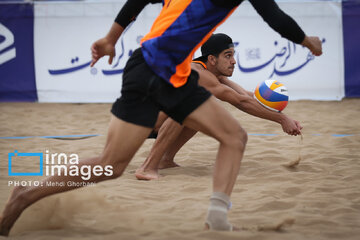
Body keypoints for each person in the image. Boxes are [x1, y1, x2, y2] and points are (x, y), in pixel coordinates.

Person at [0, 0, 322, 235]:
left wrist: (111, 37)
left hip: (175, 78)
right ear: (212, 59)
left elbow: (139, 1)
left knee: (234, 137)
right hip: (151, 71)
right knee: (111, 165)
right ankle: (25, 195)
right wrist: (306, 41)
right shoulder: (204, 68)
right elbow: (273, 16)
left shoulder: (201, 69)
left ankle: (218, 218)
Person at [134, 32, 303, 180]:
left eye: (233, 55)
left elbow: (245, 95)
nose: (234, 61)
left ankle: (165, 159)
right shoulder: (198, 74)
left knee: (201, 109)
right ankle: (148, 166)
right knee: (189, 107)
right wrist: (281, 119)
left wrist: (276, 108)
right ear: (212, 59)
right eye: (228, 56)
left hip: (155, 121)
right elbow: (241, 102)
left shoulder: (211, 73)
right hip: (140, 123)